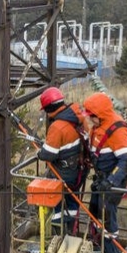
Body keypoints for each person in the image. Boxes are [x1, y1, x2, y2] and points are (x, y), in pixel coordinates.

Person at [83, 91, 127, 253]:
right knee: (95, 209)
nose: (89, 119)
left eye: (91, 116)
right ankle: (98, 242)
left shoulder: (117, 130)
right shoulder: (98, 127)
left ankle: (111, 250)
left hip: (113, 181)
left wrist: (111, 181)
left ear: (100, 115)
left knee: (106, 213)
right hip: (102, 178)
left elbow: (126, 160)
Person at [36, 86, 88, 236]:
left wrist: (39, 153)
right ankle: (71, 231)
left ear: (48, 109)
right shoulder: (78, 116)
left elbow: (49, 154)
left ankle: (58, 234)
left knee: (57, 205)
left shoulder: (57, 127)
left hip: (64, 174)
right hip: (79, 170)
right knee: (72, 201)